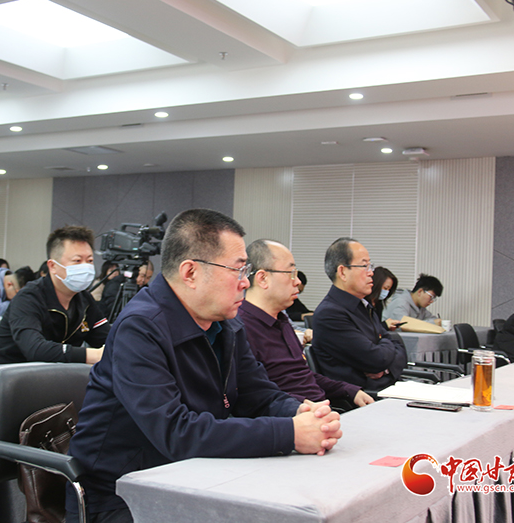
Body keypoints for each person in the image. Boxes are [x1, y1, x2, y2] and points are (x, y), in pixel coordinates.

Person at [67, 209, 342, 523]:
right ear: (190, 272)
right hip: (121, 496)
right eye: (237, 270)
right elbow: (176, 432)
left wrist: (300, 413)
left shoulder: (227, 324)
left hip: (196, 478)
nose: (245, 282)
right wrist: (289, 434)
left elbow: (258, 394)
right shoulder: (140, 328)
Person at [240, 239, 374, 409]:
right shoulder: (240, 328)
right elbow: (254, 394)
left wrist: (348, 390)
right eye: (291, 273)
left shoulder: (282, 322)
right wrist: (302, 408)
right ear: (263, 278)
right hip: (293, 417)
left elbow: (302, 376)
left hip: (320, 410)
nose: (297, 281)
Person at [0, 226, 109, 365]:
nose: (85, 267)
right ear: (52, 266)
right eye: (77, 261)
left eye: (90, 261)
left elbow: (109, 339)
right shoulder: (28, 298)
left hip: (58, 374)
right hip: (6, 373)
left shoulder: (85, 300)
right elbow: (35, 349)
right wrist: (93, 355)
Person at [311, 237, 407, 391]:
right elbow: (376, 359)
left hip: (389, 387)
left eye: (370, 266)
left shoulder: (363, 306)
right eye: (364, 266)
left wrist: (386, 368)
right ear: (342, 272)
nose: (371, 273)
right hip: (364, 397)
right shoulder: (330, 314)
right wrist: (386, 348)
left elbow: (397, 345)